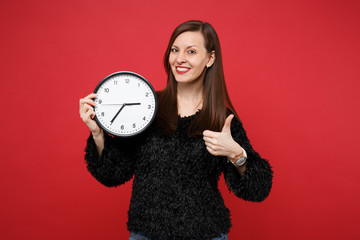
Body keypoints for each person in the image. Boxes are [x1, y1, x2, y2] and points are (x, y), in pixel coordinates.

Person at [79, 20, 273, 240]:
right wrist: (98, 133)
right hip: (146, 234)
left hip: (205, 234)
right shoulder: (146, 107)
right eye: (175, 50)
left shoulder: (221, 119)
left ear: (210, 58)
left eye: (191, 51)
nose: (180, 58)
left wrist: (236, 153)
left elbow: (258, 189)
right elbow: (113, 174)